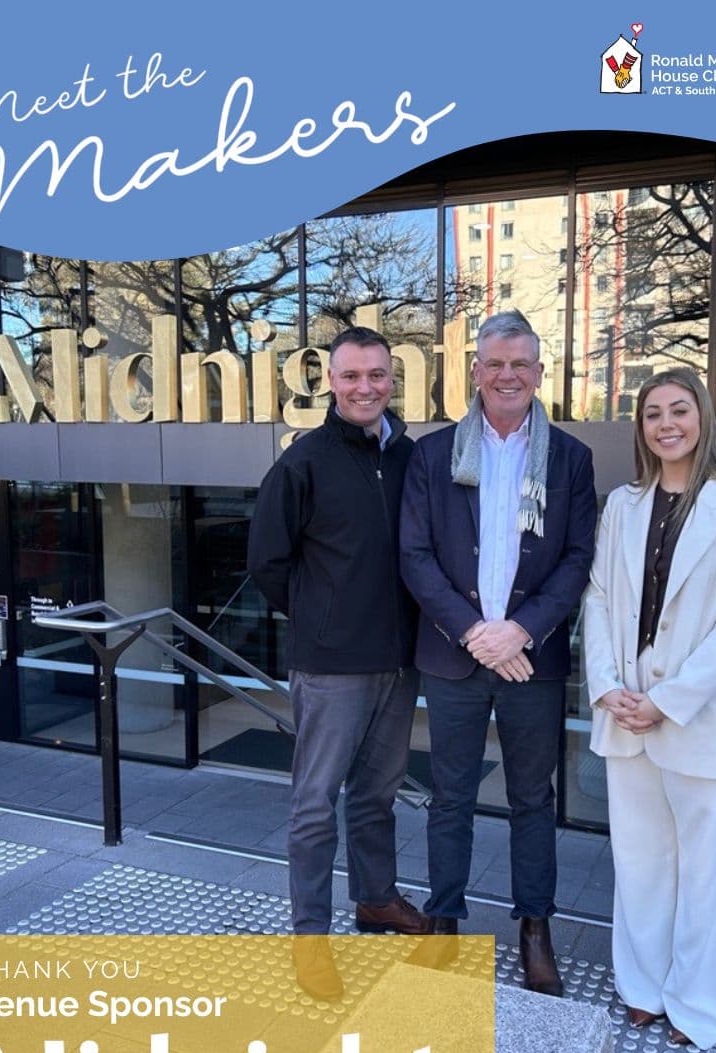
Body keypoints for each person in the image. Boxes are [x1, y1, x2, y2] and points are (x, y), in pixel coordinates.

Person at [400, 311, 596, 993]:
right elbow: (415, 555)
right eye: (495, 364)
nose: (507, 375)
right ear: (475, 371)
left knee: (532, 800)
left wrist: (520, 631)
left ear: (538, 373)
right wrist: (474, 632)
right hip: (454, 655)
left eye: (520, 364)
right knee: (449, 797)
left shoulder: (570, 457)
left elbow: (577, 557)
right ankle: (444, 920)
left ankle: (534, 928)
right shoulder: (433, 454)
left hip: (529, 660)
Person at [583, 368, 716, 1049]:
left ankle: (699, 1006)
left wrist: (667, 701)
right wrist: (606, 685)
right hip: (625, 708)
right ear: (640, 428)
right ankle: (643, 988)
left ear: (702, 419)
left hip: (703, 715)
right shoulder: (623, 504)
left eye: (679, 410)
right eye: (652, 414)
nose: (666, 424)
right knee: (640, 862)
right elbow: (598, 597)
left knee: (708, 873)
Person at [247, 325, 427, 1000]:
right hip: (330, 666)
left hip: (398, 662)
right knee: (316, 804)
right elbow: (266, 562)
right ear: (329, 382)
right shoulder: (303, 462)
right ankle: (310, 937)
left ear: (392, 379)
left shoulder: (410, 457)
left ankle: (376, 898)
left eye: (376, 375)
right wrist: (323, 619)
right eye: (351, 376)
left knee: (377, 796)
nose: (364, 387)